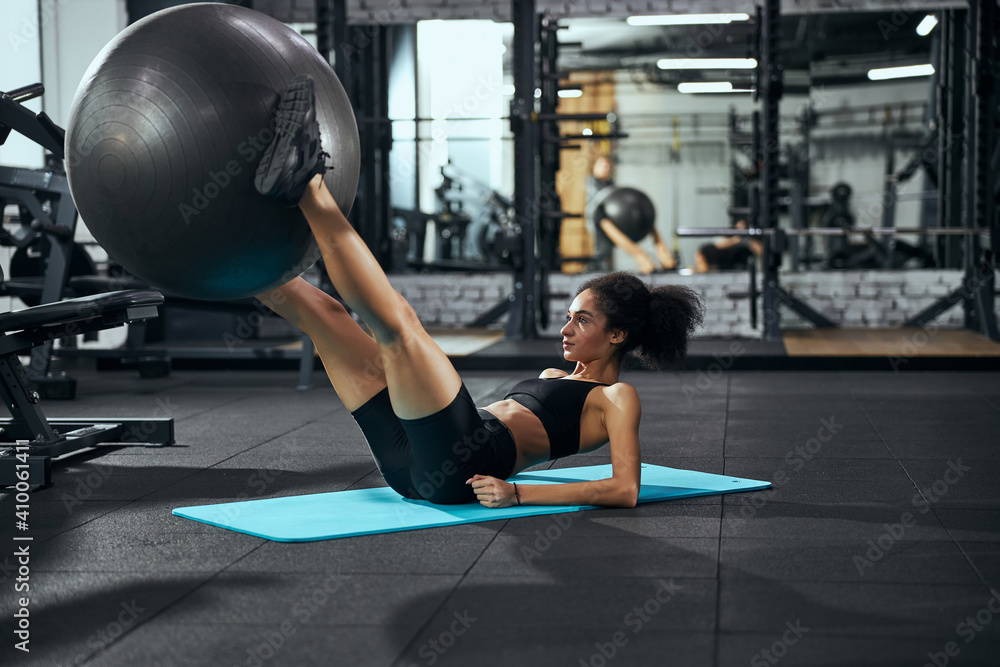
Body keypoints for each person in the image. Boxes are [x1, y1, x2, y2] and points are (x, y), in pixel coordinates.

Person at [254, 76, 704, 508]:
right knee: (323, 316)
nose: (566, 329)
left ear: (619, 335)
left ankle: (308, 179)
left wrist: (520, 493)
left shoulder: (616, 398)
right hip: (410, 462)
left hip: (461, 464)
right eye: (569, 315)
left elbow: (624, 489)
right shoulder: (553, 377)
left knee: (400, 329)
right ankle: (227, 251)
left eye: (582, 319)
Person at [585, 155, 676, 275]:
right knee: (604, 223)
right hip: (603, 220)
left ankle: (665, 258)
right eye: (601, 164)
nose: (605, 167)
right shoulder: (592, 185)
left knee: (647, 220)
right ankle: (641, 257)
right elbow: (596, 210)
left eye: (607, 165)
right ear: (593, 167)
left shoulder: (613, 186)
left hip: (622, 218)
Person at [692, 219, 762, 273]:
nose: (741, 229)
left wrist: (746, 240)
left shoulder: (747, 243)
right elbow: (720, 243)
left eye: (744, 227)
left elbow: (760, 250)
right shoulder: (725, 240)